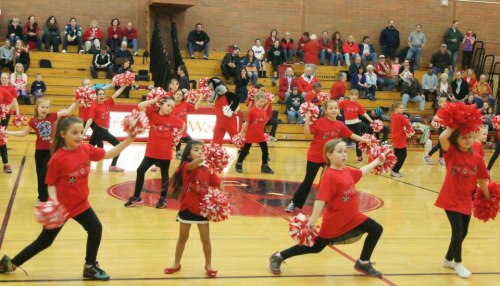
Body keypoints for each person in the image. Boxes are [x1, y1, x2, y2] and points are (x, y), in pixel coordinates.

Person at [0, 116, 135, 280]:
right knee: (44, 242)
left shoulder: (86, 149)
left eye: (81, 132)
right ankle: (11, 263)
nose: (80, 136)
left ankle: (90, 266)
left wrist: (129, 140)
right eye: (75, 133)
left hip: (81, 204)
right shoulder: (56, 159)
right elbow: (50, 184)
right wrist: (55, 203)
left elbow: (108, 154)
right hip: (62, 208)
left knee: (95, 229)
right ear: (63, 134)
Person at [270, 139, 386, 277]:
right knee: (316, 247)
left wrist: (377, 161)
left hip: (354, 216)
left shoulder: (346, 170)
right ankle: (279, 256)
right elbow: (321, 199)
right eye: (339, 152)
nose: (344, 155)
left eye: (345, 151)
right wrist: (312, 220)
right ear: (329, 155)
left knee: (376, 229)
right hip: (336, 219)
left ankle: (363, 262)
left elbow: (361, 172)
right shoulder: (329, 176)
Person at [284, 100, 370, 213]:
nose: (334, 110)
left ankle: (326, 202)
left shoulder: (340, 125)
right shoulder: (319, 122)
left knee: (327, 182)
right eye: (331, 108)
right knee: (308, 181)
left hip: (330, 158)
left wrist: (364, 139)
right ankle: (294, 203)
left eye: (336, 108)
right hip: (314, 156)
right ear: (325, 110)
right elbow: (306, 133)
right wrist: (308, 120)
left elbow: (351, 135)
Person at [434, 126, 490, 278]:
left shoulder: (477, 158)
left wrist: (487, 196)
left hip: (466, 199)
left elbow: (482, 179)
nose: (468, 140)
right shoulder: (451, 153)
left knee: (464, 231)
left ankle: (447, 259)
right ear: (456, 140)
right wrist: (455, 123)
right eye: (463, 138)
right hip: (450, 198)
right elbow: (442, 138)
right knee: (457, 231)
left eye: (470, 137)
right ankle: (458, 263)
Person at [165, 140, 222, 278]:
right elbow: (191, 165)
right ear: (188, 153)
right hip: (187, 209)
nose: (200, 152)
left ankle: (208, 265)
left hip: (202, 210)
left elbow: (219, 183)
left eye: (202, 150)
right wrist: (206, 157)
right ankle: (176, 263)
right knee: (182, 238)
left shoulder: (208, 169)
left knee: (206, 239)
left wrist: (221, 198)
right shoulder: (185, 166)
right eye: (196, 150)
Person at [6, 98, 78, 201]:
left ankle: (46, 198)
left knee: (45, 174)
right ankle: (41, 197)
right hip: (39, 152)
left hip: (51, 151)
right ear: (37, 108)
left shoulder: (51, 116)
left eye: (47, 107)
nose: (45, 109)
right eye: (43, 107)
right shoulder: (33, 121)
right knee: (39, 175)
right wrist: (7, 132)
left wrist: (77, 101)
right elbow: (23, 133)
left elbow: (68, 111)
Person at [124, 96, 185, 208]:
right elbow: (140, 106)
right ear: (161, 104)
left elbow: (183, 125)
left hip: (165, 153)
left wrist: (176, 137)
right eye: (168, 105)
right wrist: (155, 100)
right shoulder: (153, 114)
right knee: (140, 170)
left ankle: (162, 200)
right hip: (151, 151)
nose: (170, 108)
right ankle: (136, 197)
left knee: (164, 176)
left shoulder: (173, 118)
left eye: (172, 107)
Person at [83, 86, 128, 172]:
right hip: (99, 131)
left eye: (103, 94)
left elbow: (116, 94)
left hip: (104, 130)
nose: (102, 95)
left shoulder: (107, 102)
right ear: (96, 96)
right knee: (118, 145)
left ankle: (112, 166)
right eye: (100, 94)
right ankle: (112, 166)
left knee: (89, 148)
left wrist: (124, 86)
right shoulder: (95, 106)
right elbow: (90, 119)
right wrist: (84, 131)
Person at [235, 92, 274, 174]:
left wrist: (264, 133)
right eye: (260, 101)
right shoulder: (252, 111)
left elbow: (263, 123)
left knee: (265, 151)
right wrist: (241, 132)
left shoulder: (264, 111)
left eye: (264, 102)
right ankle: (238, 164)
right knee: (245, 151)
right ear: (256, 100)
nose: (262, 103)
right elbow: (247, 122)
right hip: (251, 134)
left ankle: (265, 166)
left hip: (260, 135)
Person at [339, 89, 374, 163]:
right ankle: (340, 157)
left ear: (357, 96)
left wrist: (372, 121)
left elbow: (364, 114)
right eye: (352, 95)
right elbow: (336, 106)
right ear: (349, 95)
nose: (354, 97)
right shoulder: (344, 103)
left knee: (358, 141)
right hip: (347, 125)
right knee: (343, 141)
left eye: (355, 95)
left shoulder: (358, 105)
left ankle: (359, 157)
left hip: (356, 124)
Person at [206, 77, 240, 145]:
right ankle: (215, 151)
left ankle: (243, 150)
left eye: (211, 87)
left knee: (234, 136)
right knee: (216, 139)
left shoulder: (227, 94)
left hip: (229, 120)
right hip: (219, 121)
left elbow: (237, 97)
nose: (211, 89)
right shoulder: (216, 96)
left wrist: (232, 108)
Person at [0, 73, 20, 173]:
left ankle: (6, 163)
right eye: (2, 78)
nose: (4, 79)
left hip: (4, 115)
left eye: (5, 78)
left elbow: (14, 100)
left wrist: (17, 113)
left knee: (1, 136)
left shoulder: (7, 90)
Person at [172, 89, 197, 159]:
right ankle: (178, 152)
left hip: (183, 131)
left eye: (180, 95)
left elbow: (196, 107)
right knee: (177, 139)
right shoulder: (170, 105)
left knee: (192, 142)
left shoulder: (185, 104)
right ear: (173, 95)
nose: (178, 96)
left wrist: (200, 97)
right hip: (174, 132)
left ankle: (183, 153)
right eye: (177, 94)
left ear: (183, 98)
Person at [424, 97, 448, 165]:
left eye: (445, 102)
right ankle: (428, 156)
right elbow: (435, 118)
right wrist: (442, 120)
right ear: (439, 104)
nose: (445, 104)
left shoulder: (446, 110)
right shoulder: (440, 110)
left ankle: (441, 158)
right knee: (440, 144)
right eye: (443, 102)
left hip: (445, 128)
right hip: (442, 128)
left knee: (441, 144)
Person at [390, 101, 412, 177]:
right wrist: (409, 131)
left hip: (395, 138)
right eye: (401, 108)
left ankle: (394, 169)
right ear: (396, 108)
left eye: (403, 108)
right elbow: (408, 124)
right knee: (403, 155)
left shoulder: (393, 116)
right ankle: (394, 170)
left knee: (396, 155)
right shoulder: (400, 116)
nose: (403, 109)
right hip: (400, 138)